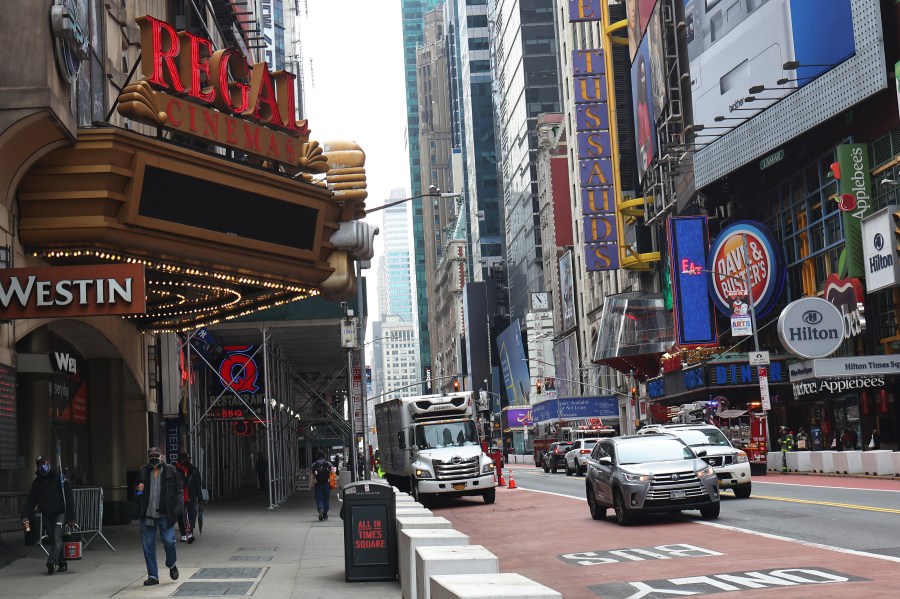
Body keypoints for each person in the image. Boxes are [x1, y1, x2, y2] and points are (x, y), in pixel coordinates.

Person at [134, 447, 183, 586]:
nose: (154, 458)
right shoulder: (143, 472)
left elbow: (179, 490)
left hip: (165, 514)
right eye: (151, 456)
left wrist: (177, 509)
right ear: (148, 458)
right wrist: (137, 490)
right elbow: (136, 493)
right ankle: (153, 576)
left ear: (161, 457)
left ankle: (171, 564)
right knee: (148, 546)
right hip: (147, 515)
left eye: (156, 455)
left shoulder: (170, 471)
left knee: (169, 541)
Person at [20, 456, 75, 575]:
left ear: (49, 463)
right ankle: (62, 563)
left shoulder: (60, 477)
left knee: (56, 537)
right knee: (55, 540)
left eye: (43, 463)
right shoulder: (37, 483)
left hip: (60, 513)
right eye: (39, 464)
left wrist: (70, 517)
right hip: (47, 515)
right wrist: (25, 515)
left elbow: (69, 497)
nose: (41, 466)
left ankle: (52, 561)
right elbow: (31, 501)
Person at [174, 453, 203, 544]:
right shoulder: (176, 471)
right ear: (181, 460)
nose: (187, 461)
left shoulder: (194, 470)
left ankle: (190, 532)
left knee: (192, 515)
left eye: (188, 459)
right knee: (181, 516)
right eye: (185, 459)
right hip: (180, 496)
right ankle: (184, 533)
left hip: (191, 496)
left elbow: (198, 485)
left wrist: (200, 498)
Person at [311, 451, 332, 521]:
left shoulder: (314, 464)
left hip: (318, 484)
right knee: (326, 499)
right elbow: (333, 473)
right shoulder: (328, 463)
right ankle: (325, 515)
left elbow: (311, 475)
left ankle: (321, 509)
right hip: (326, 484)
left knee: (319, 499)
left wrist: (310, 485)